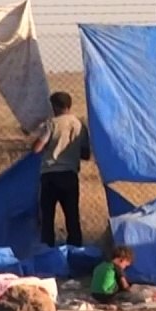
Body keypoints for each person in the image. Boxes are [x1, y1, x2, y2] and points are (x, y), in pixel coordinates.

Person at [32, 92, 91, 247]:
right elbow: (86, 154)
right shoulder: (79, 125)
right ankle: (76, 250)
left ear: (55, 106)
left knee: (47, 218)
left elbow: (37, 148)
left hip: (50, 175)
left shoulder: (52, 124)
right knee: (72, 217)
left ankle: (47, 251)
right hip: (70, 176)